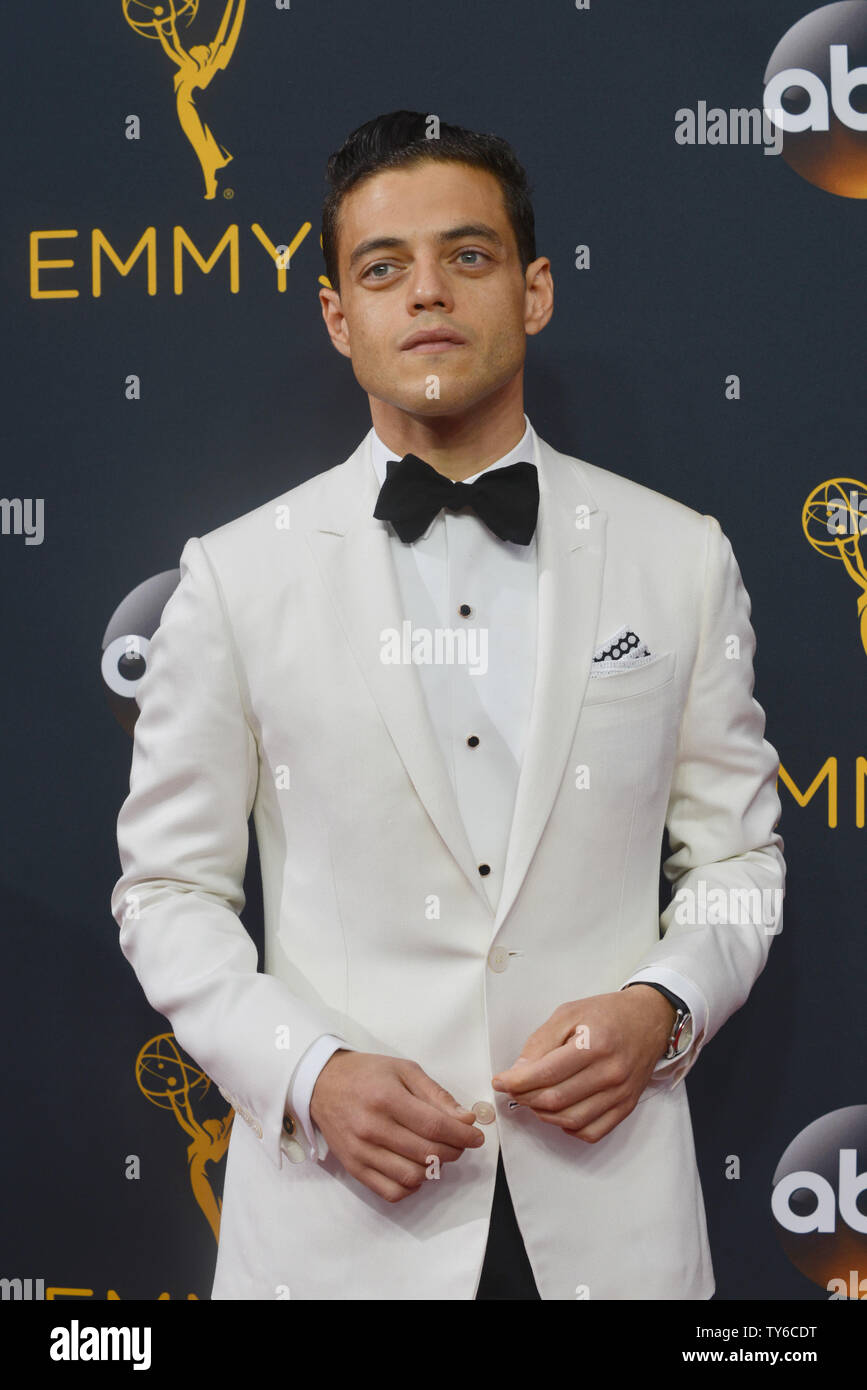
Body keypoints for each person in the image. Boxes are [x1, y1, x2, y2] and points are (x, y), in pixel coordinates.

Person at [111, 110, 785, 1300]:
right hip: (338, 1233)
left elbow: (737, 860)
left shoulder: (680, 559)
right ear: (339, 316)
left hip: (612, 1229)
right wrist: (307, 1073)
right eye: (384, 268)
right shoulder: (234, 577)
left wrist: (663, 1007)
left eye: (467, 256)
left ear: (534, 293)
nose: (427, 291)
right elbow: (168, 891)